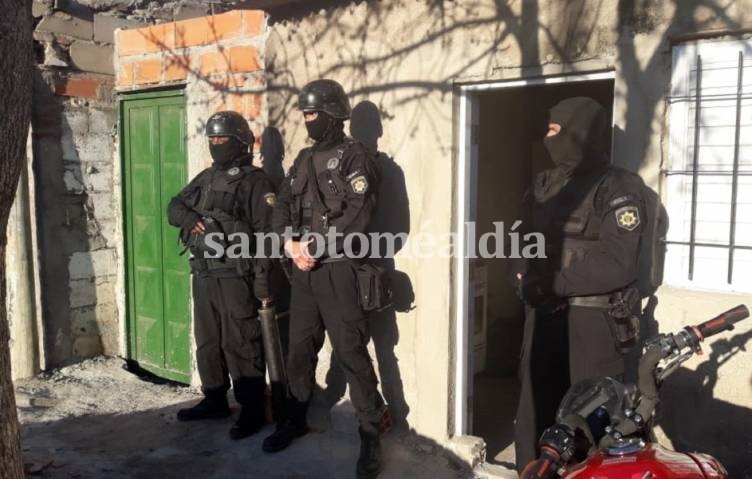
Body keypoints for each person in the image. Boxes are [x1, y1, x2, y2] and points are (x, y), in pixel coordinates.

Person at [263, 79, 388, 479]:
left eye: (314, 113)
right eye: (305, 114)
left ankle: (371, 434)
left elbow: (359, 213)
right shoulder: (301, 160)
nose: (308, 120)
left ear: (335, 115)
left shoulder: (357, 158)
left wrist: (314, 246)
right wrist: (289, 244)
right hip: (304, 273)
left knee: (351, 352)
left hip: (340, 271)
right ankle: (294, 418)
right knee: (299, 350)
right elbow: (282, 207)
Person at [513, 97, 645, 470]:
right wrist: (522, 277)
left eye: (555, 130)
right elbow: (522, 238)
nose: (547, 138)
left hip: (591, 327)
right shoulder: (544, 184)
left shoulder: (619, 186)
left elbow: (619, 263)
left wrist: (555, 283)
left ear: (579, 134)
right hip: (542, 320)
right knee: (535, 415)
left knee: (590, 422)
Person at [167, 110, 277, 440]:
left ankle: (253, 410)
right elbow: (173, 207)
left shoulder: (256, 182)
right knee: (208, 341)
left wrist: (262, 282)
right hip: (204, 275)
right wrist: (188, 218)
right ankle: (214, 399)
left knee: (240, 342)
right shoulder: (205, 178)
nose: (216, 144)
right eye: (211, 139)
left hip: (235, 276)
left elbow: (266, 235)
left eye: (222, 139)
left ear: (241, 142)